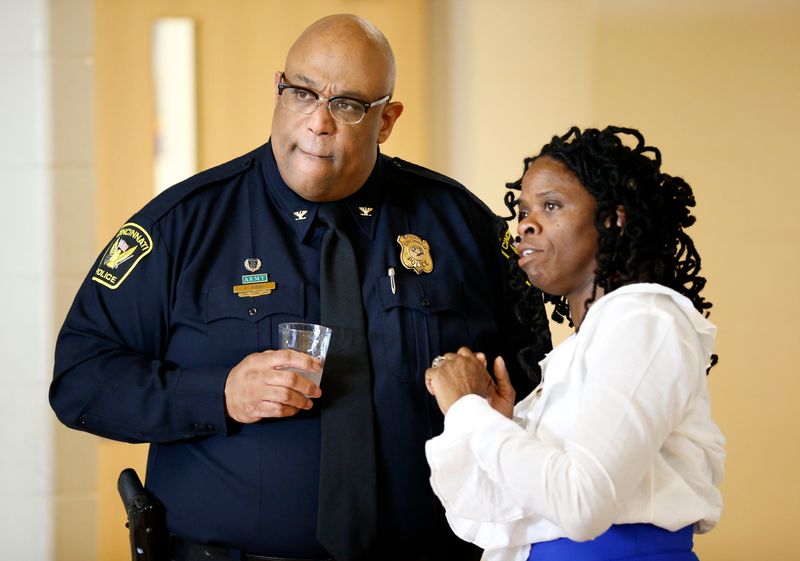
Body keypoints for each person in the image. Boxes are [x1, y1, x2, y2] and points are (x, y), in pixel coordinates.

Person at [50, 13, 545, 561]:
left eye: (349, 105)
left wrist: (495, 412)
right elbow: (80, 379)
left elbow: (537, 381)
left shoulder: (461, 225)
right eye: (303, 93)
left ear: (386, 120)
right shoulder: (183, 226)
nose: (318, 123)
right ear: (278, 90)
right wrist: (219, 394)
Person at [424, 126, 725, 561]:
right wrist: (498, 423)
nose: (525, 223)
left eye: (551, 205)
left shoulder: (644, 319)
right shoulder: (583, 346)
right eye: (524, 209)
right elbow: (491, 517)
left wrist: (471, 413)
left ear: (612, 219)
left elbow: (582, 504)